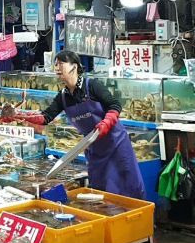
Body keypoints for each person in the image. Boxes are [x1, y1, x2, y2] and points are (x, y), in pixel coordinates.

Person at [10, 51, 145, 199]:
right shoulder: (63, 96)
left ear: (74, 67)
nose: (57, 68)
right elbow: (46, 117)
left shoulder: (92, 85)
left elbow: (115, 104)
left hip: (117, 145)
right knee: (101, 192)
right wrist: (18, 115)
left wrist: (106, 122)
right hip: (95, 149)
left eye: (61, 63)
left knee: (128, 186)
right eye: (55, 64)